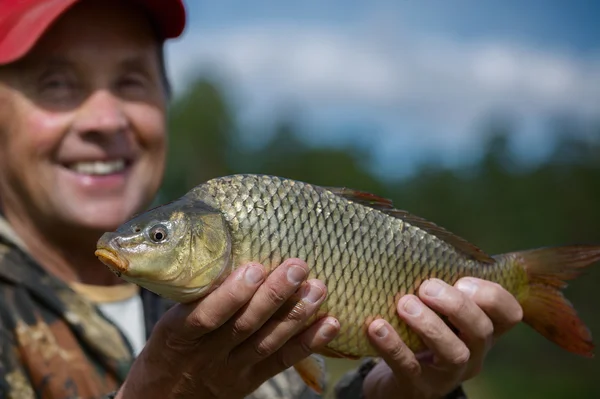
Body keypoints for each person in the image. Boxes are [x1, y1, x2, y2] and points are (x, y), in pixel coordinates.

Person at [0, 0, 524, 398]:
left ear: (165, 98)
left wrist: (393, 391)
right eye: (58, 83)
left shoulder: (197, 291)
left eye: (132, 81)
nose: (106, 119)